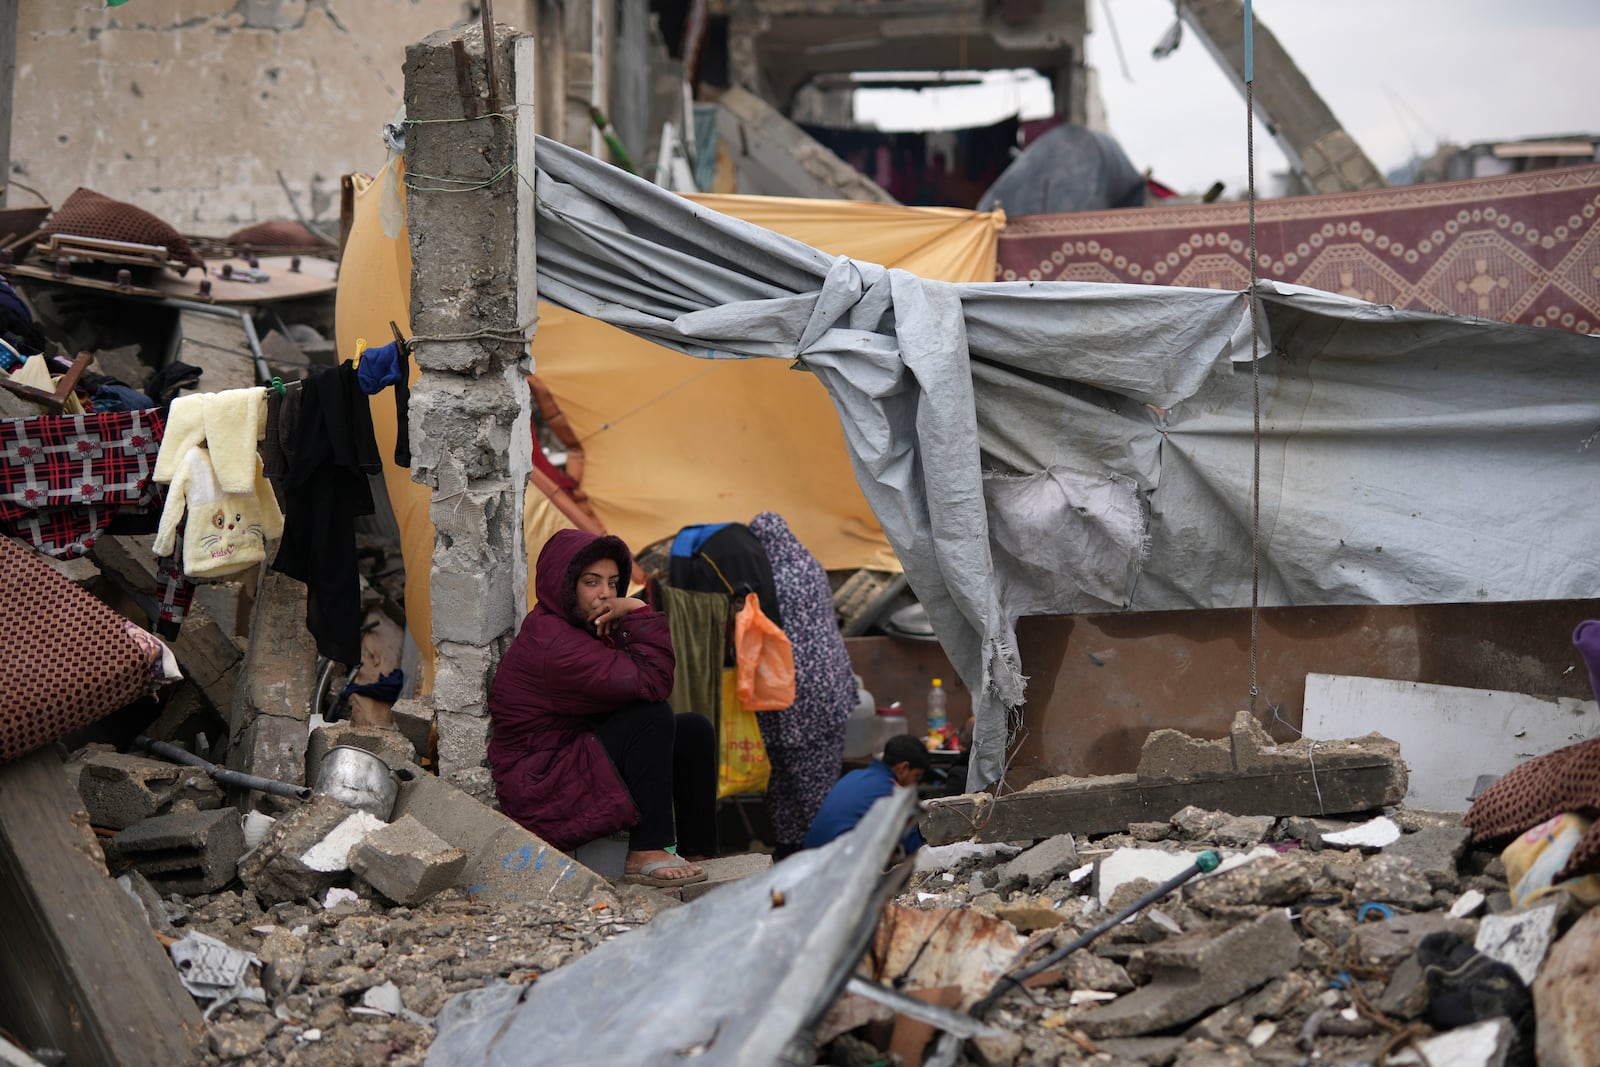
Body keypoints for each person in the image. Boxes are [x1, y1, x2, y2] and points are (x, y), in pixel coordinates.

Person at [488, 529, 718, 888]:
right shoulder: (556, 644)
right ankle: (646, 850)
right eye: (591, 582)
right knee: (651, 717)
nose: (606, 594)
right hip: (540, 787)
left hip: (568, 759)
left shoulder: (574, 626)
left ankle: (698, 851)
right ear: (565, 585)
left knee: (693, 729)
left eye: (613, 583)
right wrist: (639, 611)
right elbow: (653, 684)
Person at [748, 511, 858, 859]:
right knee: (818, 772)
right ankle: (818, 844)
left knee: (784, 776)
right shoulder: (811, 566)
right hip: (829, 681)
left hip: (790, 688)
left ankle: (801, 847)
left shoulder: (766, 579)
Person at [802, 734, 931, 854]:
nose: (914, 785)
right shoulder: (892, 792)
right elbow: (910, 846)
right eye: (916, 777)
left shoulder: (855, 775)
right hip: (837, 863)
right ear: (903, 768)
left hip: (809, 855)